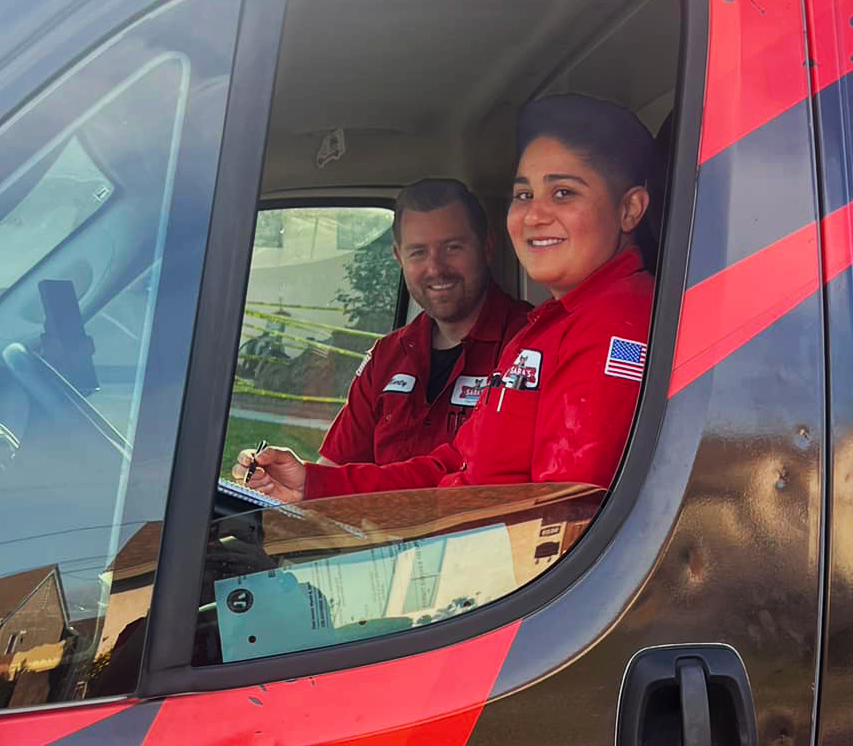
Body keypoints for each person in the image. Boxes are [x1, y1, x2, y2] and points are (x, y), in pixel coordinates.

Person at [236, 93, 655, 501]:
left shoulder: (615, 324)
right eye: (524, 194)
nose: (534, 215)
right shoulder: (547, 329)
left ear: (630, 209)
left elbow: (567, 519)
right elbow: (455, 465)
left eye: (563, 192)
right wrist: (314, 485)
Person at [320, 178, 532, 465]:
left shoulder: (531, 342)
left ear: (487, 246)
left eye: (452, 247)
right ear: (398, 257)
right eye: (418, 252)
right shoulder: (386, 356)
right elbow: (332, 472)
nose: (435, 268)